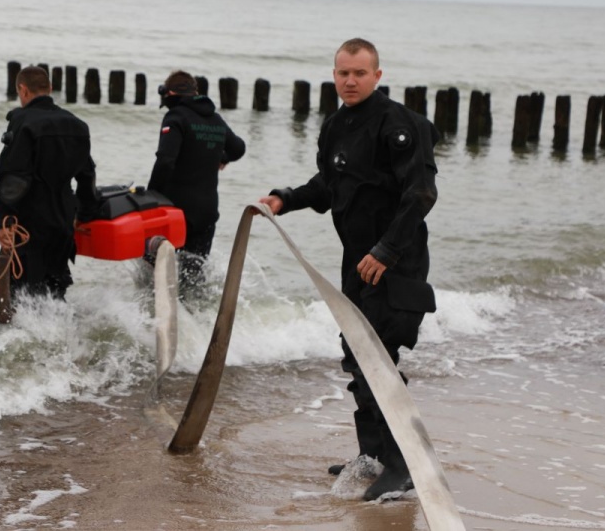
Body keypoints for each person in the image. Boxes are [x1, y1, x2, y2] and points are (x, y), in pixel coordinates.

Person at [258, 38, 439, 501]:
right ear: (334, 74)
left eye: (359, 73)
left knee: (380, 360)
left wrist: (385, 251)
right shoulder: (337, 125)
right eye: (342, 73)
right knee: (357, 357)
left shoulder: (402, 125)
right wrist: (286, 198)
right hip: (356, 264)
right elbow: (329, 185)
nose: (350, 81)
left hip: (396, 262)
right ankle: (373, 455)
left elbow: (420, 194)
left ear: (377, 74)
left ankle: (403, 466)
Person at [0, 65, 99, 301]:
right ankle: (62, 335)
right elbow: (87, 176)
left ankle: (27, 337)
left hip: (29, 223)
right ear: (49, 89)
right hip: (63, 222)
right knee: (55, 289)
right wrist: (86, 213)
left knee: (22, 295)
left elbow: (14, 176)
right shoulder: (78, 125)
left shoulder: (24, 122)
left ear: (23, 89)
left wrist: (1, 220)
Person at [146, 70, 246, 297]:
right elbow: (238, 148)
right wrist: (223, 158)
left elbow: (165, 161)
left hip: (176, 211)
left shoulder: (175, 117)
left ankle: (160, 324)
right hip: (206, 212)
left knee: (160, 278)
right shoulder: (214, 119)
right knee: (192, 281)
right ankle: (197, 323)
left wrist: (151, 195)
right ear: (195, 92)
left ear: (169, 93)